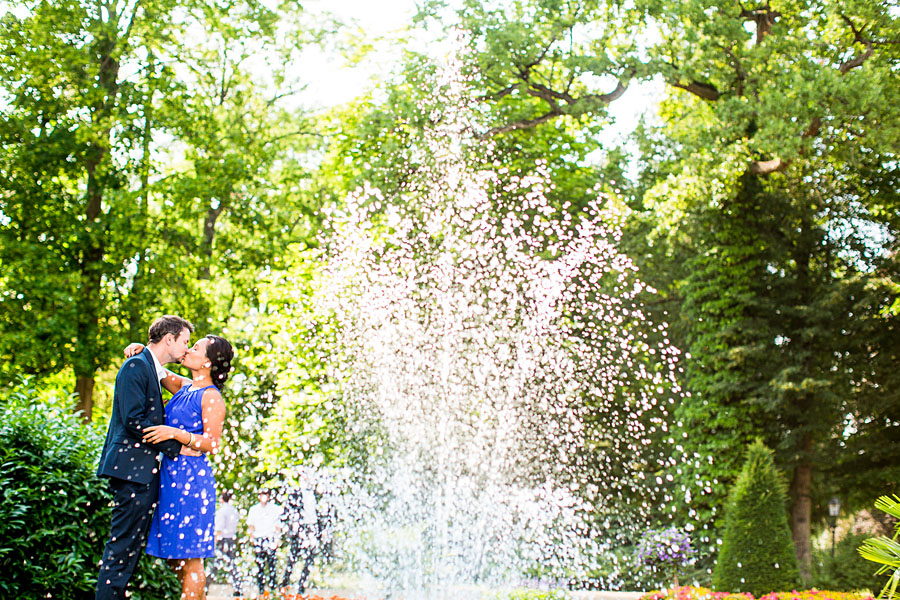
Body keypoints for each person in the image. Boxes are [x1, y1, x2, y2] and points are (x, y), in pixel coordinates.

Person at [95, 315, 194, 600]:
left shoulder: (148, 366)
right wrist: (176, 446)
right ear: (169, 339)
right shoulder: (136, 366)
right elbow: (133, 420)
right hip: (131, 473)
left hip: (140, 473)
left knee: (128, 549)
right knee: (121, 547)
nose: (185, 349)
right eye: (184, 342)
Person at [131, 334, 234, 600]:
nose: (187, 349)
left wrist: (176, 434)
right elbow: (156, 367)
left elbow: (212, 444)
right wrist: (141, 349)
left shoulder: (211, 398)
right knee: (174, 556)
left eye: (195, 348)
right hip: (170, 477)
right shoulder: (185, 387)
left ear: (208, 362)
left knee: (191, 559)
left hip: (192, 480)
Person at [280, 472, 319, 594]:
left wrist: (321, 530)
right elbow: (287, 511)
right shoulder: (295, 494)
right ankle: (285, 582)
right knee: (293, 556)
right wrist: (288, 526)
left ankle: (301, 585)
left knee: (310, 557)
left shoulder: (315, 495)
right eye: (304, 478)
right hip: (299, 529)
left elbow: (320, 513)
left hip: (311, 528)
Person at [246, 490, 283, 598]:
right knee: (260, 566)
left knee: (272, 565)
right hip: (259, 538)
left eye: (266, 495)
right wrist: (252, 537)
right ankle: (261, 590)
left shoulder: (274, 508)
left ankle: (272, 589)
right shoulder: (254, 509)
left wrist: (277, 539)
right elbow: (251, 525)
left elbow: (278, 525)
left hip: (270, 538)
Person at [212, 490, 241, 597]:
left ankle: (205, 586)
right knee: (232, 564)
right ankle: (237, 587)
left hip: (222, 539)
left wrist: (215, 540)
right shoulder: (234, 511)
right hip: (231, 538)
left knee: (214, 563)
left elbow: (219, 528)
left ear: (221, 499)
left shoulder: (222, 511)